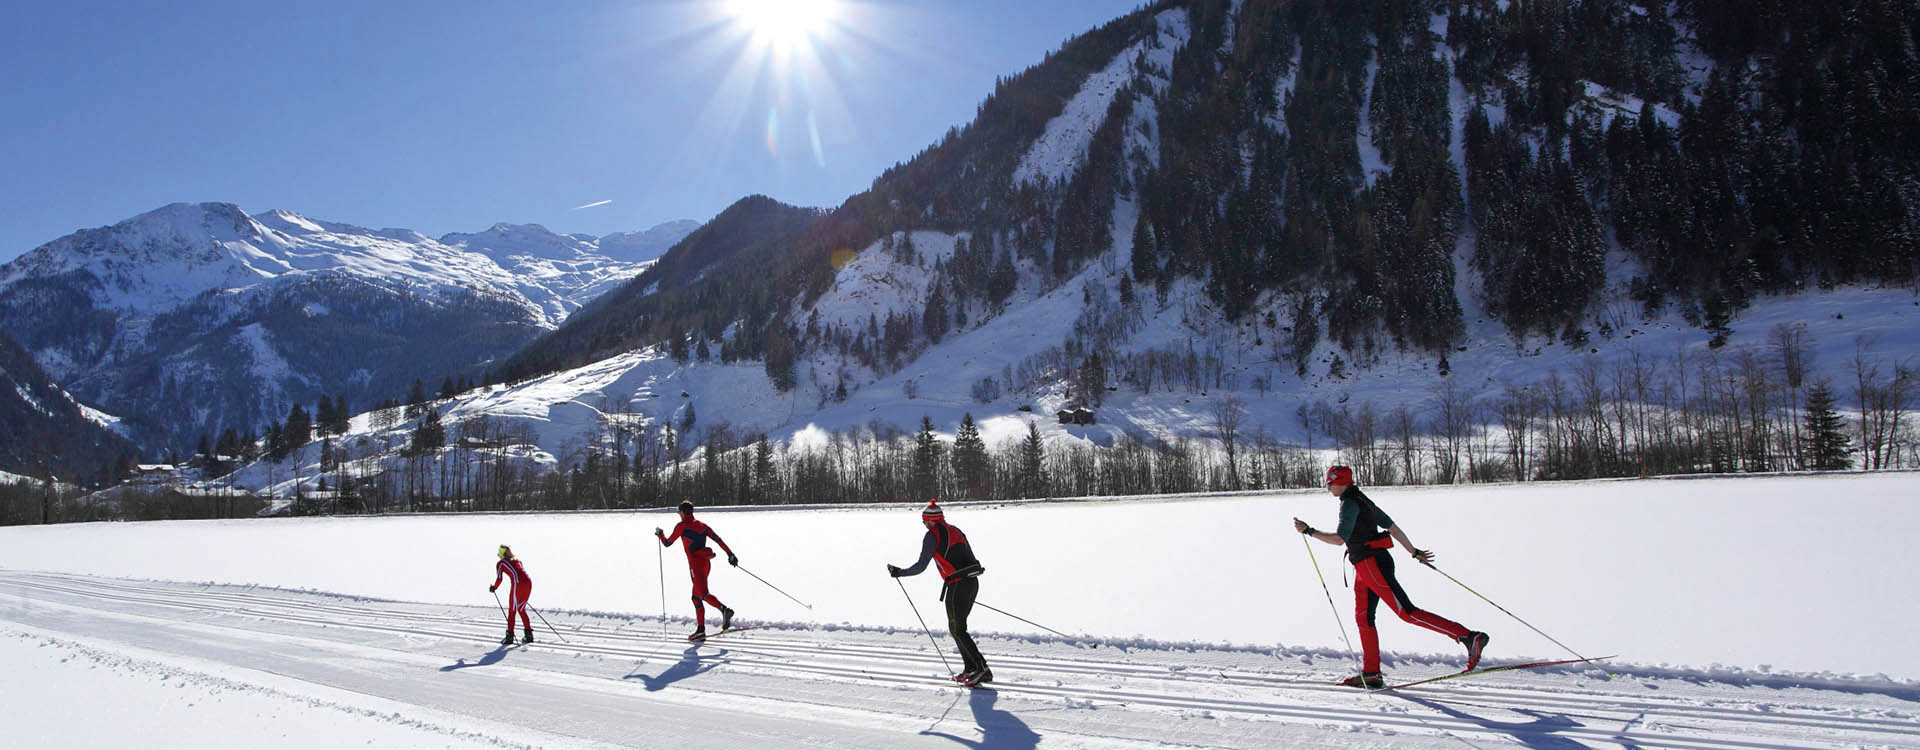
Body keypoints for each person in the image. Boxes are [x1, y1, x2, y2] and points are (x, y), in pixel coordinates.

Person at [1293, 465, 1488, 689]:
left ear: (1343, 482)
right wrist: (1413, 552)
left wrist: (1309, 531)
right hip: (1365, 567)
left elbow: (1339, 540)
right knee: (1363, 618)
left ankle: (1468, 636)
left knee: (1407, 612)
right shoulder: (1363, 500)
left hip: (1372, 565)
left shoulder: (1349, 503)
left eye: (1331, 483)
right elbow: (1393, 528)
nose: (1328, 487)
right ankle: (1371, 673)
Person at [888, 500, 991, 686]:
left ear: (931, 521)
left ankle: (980, 669)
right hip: (971, 582)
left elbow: (921, 566)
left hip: (957, 584)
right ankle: (973, 668)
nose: (924, 525)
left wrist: (900, 572)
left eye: (924, 521)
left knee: (957, 629)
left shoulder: (932, 536)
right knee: (958, 629)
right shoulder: (955, 530)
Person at [656, 500, 738, 640]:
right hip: (706, 564)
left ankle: (724, 610)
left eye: (679, 512)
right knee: (695, 598)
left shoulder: (681, 526)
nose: (679, 514)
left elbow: (668, 543)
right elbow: (718, 540)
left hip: (695, 566)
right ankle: (700, 630)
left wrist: (660, 535)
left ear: (682, 512)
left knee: (703, 594)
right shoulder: (702, 526)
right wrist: (730, 554)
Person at [489, 544, 534, 646]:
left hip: (517, 584)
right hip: (528, 583)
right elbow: (521, 574)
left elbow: (500, 578)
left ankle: (509, 637)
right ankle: (529, 635)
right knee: (521, 609)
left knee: (512, 610)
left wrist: (494, 587)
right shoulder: (518, 561)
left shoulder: (500, 563)